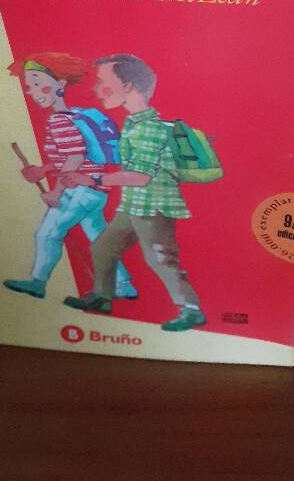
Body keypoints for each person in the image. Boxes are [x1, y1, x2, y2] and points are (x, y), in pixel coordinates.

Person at [62, 54, 206, 332]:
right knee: (103, 247)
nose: (95, 89)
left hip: (153, 207)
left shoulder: (148, 129)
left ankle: (191, 309)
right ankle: (102, 296)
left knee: (159, 258)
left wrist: (90, 178)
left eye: (102, 82)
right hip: (133, 205)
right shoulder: (134, 123)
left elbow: (140, 177)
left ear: (127, 86)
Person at [3, 52, 137, 300]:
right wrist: (43, 170)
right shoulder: (73, 116)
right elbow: (72, 155)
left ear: (61, 84)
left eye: (37, 83)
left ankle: (38, 283)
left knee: (48, 233)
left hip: (77, 191)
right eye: (29, 86)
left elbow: (74, 158)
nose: (32, 91)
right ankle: (123, 285)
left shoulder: (59, 121)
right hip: (94, 192)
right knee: (99, 239)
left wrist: (56, 192)